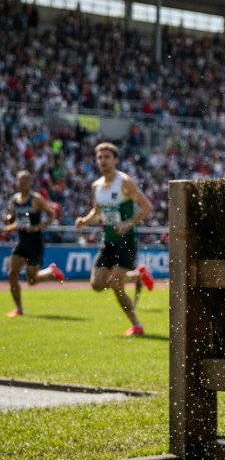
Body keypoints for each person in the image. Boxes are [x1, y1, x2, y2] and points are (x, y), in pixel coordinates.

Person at [74, 142, 155, 336]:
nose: (102, 161)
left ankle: (136, 325)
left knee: (116, 284)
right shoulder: (96, 186)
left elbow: (147, 207)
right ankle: (138, 276)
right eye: (99, 157)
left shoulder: (124, 182)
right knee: (97, 284)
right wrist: (84, 221)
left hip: (126, 240)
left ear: (115, 160)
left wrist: (129, 223)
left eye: (107, 157)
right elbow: (97, 211)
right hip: (108, 241)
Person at [5, 170, 65, 316]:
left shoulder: (36, 198)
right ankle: (19, 309)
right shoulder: (14, 200)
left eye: (25, 180)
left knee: (31, 280)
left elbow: (51, 214)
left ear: (30, 183)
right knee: (12, 274)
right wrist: (10, 220)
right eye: (20, 180)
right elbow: (12, 217)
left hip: (35, 243)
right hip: (21, 241)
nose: (22, 183)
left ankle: (51, 271)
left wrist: (40, 227)